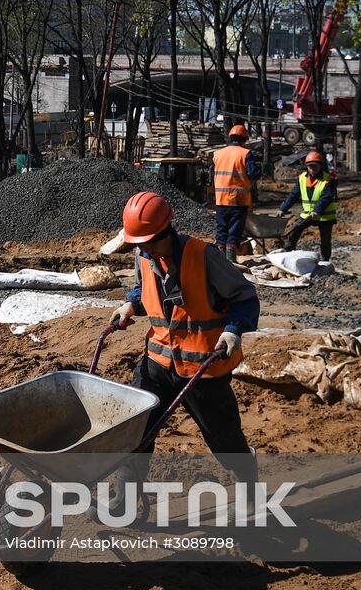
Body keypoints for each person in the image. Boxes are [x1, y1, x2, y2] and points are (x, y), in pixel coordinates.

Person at [107, 192, 260, 513]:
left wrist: (233, 330)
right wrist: (130, 303)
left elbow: (245, 298)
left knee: (225, 441)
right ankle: (124, 500)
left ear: (164, 232)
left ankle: (250, 489)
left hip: (204, 369)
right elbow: (142, 287)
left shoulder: (204, 257)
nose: (141, 249)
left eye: (145, 242)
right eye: (137, 244)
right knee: (134, 431)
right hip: (158, 363)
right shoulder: (143, 254)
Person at [211, 124, 260, 261]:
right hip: (238, 200)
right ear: (244, 139)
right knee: (233, 234)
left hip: (221, 200)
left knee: (221, 232)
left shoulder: (217, 154)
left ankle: (220, 263)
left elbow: (212, 176)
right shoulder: (245, 154)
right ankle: (230, 264)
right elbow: (253, 174)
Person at [277, 151, 336, 263]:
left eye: (315, 166)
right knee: (295, 231)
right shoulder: (302, 178)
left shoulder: (328, 179)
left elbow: (326, 197)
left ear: (320, 166)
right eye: (310, 166)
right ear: (306, 167)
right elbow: (293, 195)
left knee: (325, 241)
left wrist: (317, 210)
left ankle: (325, 261)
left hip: (324, 216)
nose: (312, 169)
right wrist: (283, 209)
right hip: (308, 214)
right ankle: (287, 252)